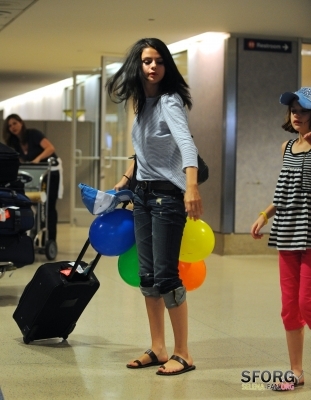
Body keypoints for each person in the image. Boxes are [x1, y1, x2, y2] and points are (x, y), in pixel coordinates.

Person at [107, 38, 203, 375]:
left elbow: (186, 146)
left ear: (167, 67)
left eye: (159, 61)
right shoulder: (140, 103)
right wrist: (123, 181)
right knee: (147, 276)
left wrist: (191, 187)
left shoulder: (169, 102)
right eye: (147, 61)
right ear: (138, 65)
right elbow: (144, 153)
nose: (153, 67)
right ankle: (159, 348)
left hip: (167, 198)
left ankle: (184, 353)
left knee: (165, 276)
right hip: (143, 197)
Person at [251, 87, 311, 389]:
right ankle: (296, 372)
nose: (297, 115)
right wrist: (265, 214)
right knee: (290, 306)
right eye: (293, 110)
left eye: (303, 110)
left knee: (307, 303)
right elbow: (286, 191)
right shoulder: (287, 147)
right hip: (288, 232)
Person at [2, 114, 63, 244]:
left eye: (14, 123)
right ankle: (33, 235)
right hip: (34, 174)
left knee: (49, 206)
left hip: (50, 171)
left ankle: (51, 239)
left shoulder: (33, 134)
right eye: (9, 126)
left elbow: (50, 148)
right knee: (34, 204)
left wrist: (37, 159)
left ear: (21, 123)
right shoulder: (14, 143)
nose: (12, 127)